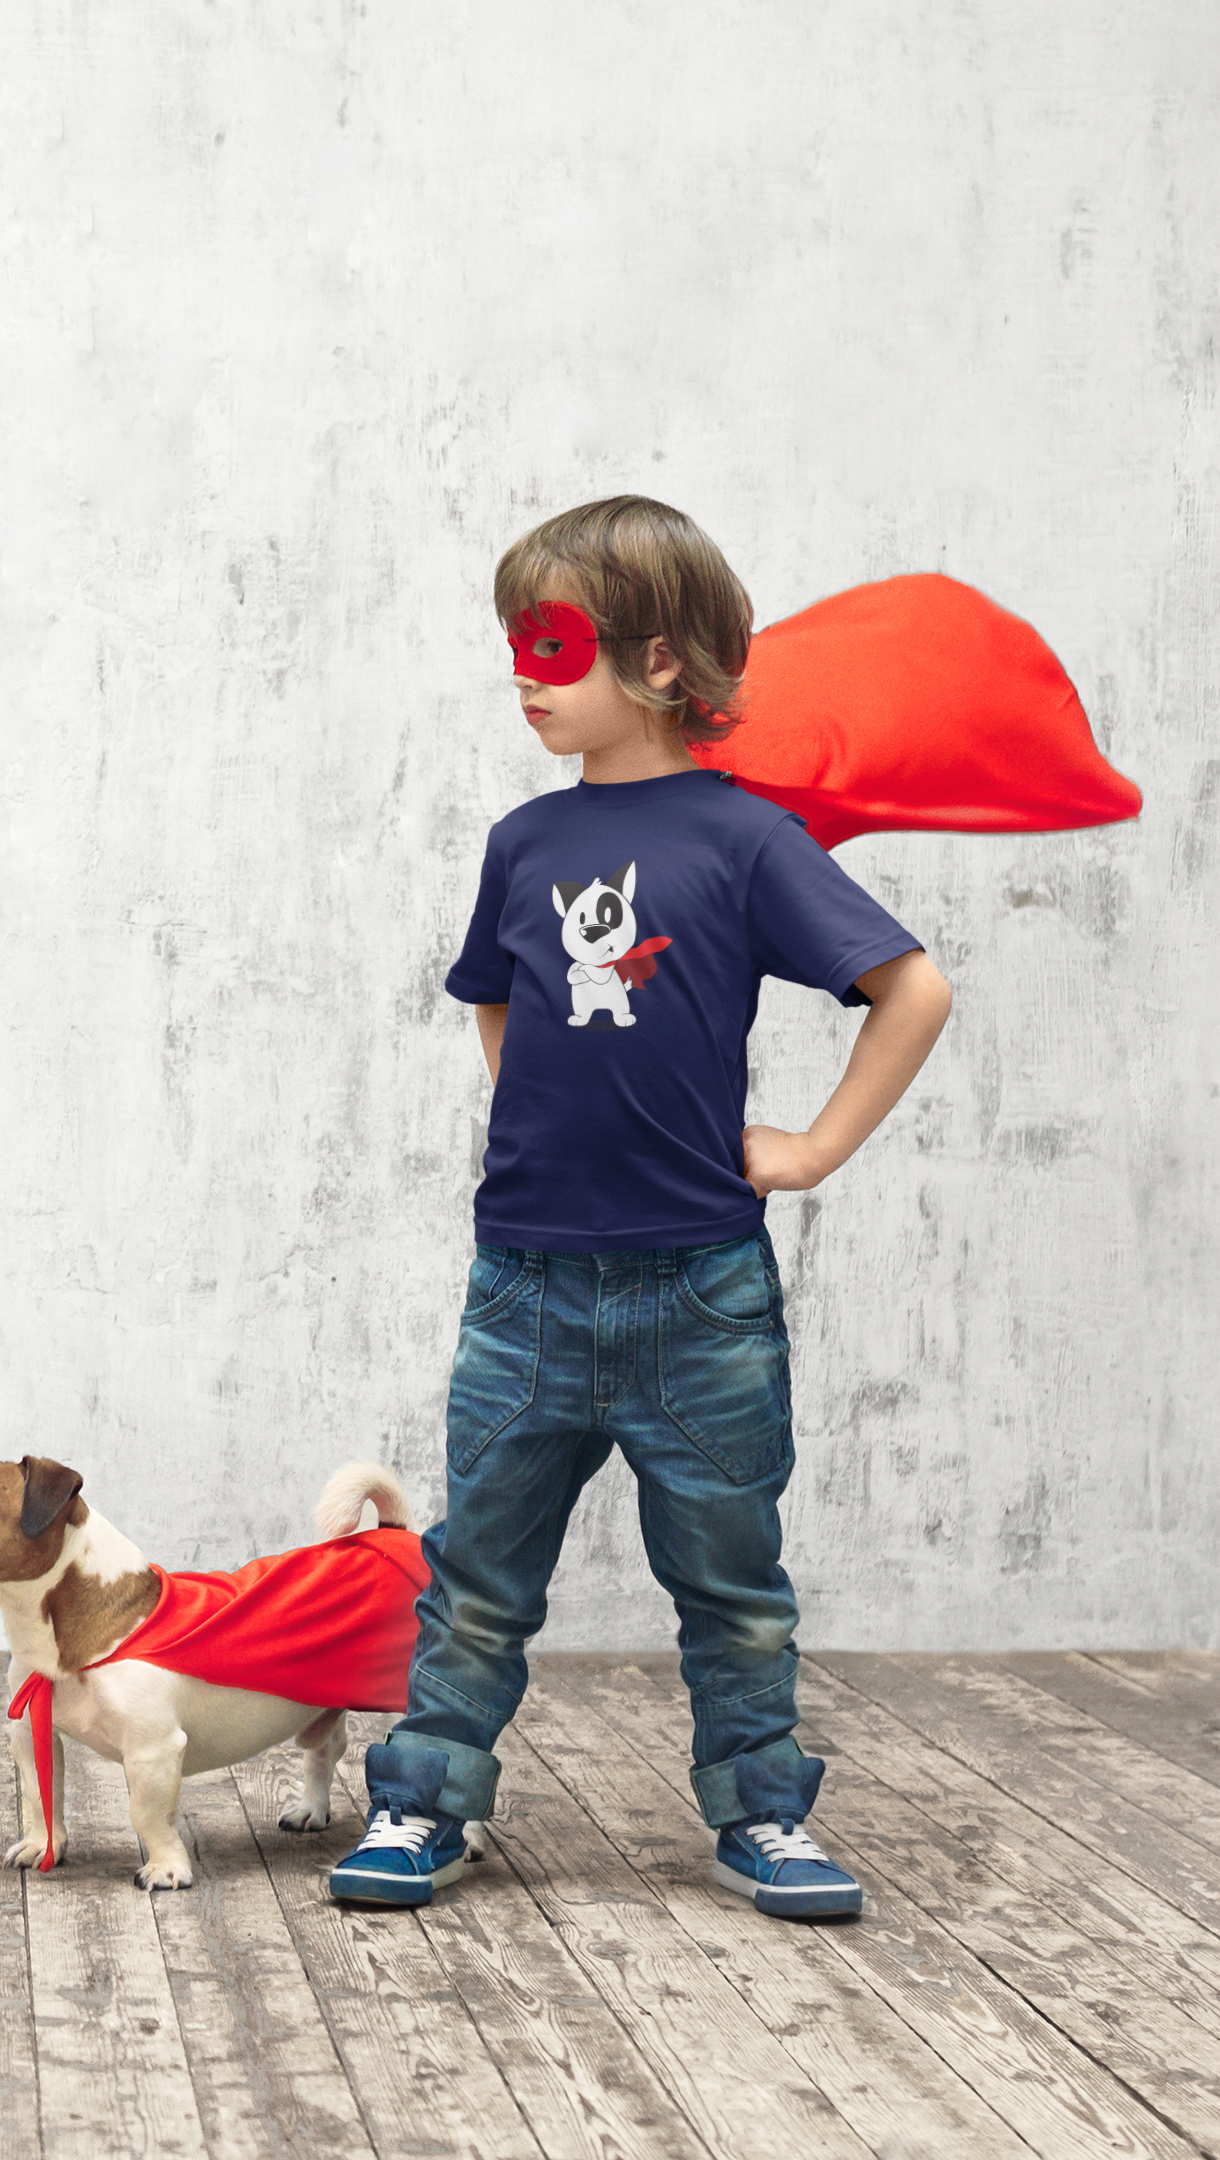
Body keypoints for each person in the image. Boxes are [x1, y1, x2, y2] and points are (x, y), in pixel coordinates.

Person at [328, 495, 953, 1919]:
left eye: (555, 646)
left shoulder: (744, 842)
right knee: (477, 1577)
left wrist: (812, 1148)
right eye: (515, 647)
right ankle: (423, 1806)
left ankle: (763, 1817)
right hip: (526, 1291)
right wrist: (552, 1128)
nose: (526, 675)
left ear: (663, 663)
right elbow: (500, 1002)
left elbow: (911, 988)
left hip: (700, 1300)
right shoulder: (524, 842)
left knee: (732, 1589)